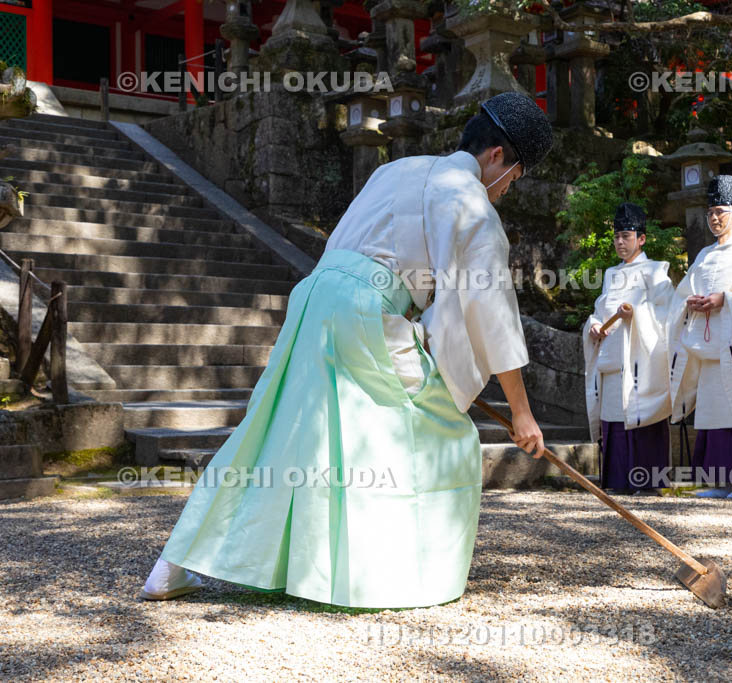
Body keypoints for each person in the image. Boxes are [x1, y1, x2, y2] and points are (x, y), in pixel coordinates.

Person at [140, 92, 554, 608]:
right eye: (514, 176)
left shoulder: (397, 169)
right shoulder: (470, 202)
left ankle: (170, 568)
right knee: (439, 430)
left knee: (275, 430)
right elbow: (490, 310)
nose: (508, 188)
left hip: (315, 297)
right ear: (497, 157)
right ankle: (384, 574)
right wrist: (522, 412)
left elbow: (363, 247)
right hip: (364, 311)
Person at [666, 175, 732, 500]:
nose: (715, 218)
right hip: (708, 348)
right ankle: (718, 481)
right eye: (711, 211)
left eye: (721, 212)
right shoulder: (703, 256)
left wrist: (726, 298)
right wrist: (691, 303)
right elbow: (683, 291)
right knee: (712, 411)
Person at [582, 202, 673, 494]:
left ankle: (647, 484)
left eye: (627, 236)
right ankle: (617, 481)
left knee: (640, 415)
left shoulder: (656, 272)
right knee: (614, 420)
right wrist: (594, 325)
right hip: (611, 360)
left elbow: (667, 316)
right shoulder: (610, 274)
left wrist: (637, 317)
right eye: (617, 236)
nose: (621, 242)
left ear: (641, 239)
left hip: (639, 361)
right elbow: (600, 309)